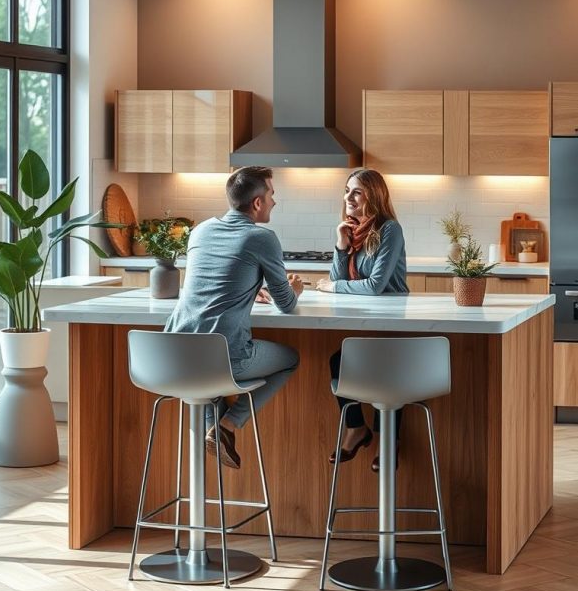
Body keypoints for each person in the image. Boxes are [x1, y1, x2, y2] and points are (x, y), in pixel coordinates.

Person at [165, 166, 304, 469]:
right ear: (257, 203)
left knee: (203, 371)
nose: (274, 202)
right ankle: (228, 425)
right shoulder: (261, 237)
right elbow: (286, 305)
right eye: (272, 195)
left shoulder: (200, 230)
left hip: (171, 355)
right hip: (223, 359)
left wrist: (247, 287)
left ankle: (209, 428)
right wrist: (295, 288)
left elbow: (208, 283)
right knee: (291, 359)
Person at [316, 168, 408, 471]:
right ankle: (356, 428)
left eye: (356, 191)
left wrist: (333, 286)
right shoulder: (351, 231)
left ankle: (387, 439)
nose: (348, 197)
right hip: (363, 320)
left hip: (394, 323)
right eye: (346, 190)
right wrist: (341, 245)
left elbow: (374, 286)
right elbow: (337, 281)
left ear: (374, 195)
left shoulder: (389, 229)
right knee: (339, 361)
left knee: (386, 368)